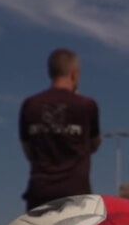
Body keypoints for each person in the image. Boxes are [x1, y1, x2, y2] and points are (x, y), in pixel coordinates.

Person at [19, 48, 101, 211]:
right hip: (76, 194)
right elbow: (94, 144)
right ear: (74, 74)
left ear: (50, 72)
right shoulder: (86, 105)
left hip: (40, 193)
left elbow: (29, 151)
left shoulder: (31, 105)